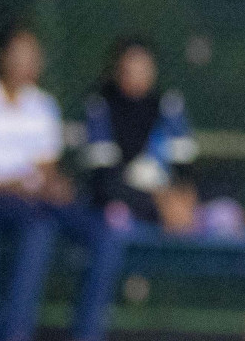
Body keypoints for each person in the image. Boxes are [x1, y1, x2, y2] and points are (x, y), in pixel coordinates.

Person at [0, 24, 125, 341]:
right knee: (39, 228)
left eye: (33, 55)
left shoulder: (42, 106)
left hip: (31, 200)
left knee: (105, 232)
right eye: (20, 54)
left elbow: (46, 169)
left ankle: (85, 340)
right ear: (2, 56)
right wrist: (12, 184)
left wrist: (56, 185)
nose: (28, 62)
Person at [85, 37, 199, 233]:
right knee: (116, 218)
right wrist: (157, 201)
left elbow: (186, 169)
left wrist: (184, 199)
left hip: (171, 201)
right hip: (129, 201)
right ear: (117, 71)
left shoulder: (168, 106)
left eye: (144, 69)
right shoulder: (100, 108)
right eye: (130, 70)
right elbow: (105, 181)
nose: (137, 76)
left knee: (224, 215)